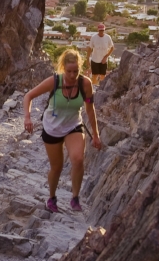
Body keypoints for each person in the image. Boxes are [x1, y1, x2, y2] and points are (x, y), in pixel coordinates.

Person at [23, 49, 102, 213]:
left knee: (78, 159)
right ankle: (51, 198)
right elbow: (28, 96)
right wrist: (27, 117)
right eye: (69, 71)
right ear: (63, 68)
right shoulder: (54, 82)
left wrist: (95, 134)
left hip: (73, 125)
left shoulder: (85, 84)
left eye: (76, 71)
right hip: (52, 127)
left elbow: (89, 109)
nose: (72, 75)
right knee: (57, 167)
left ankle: (75, 198)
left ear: (80, 68)